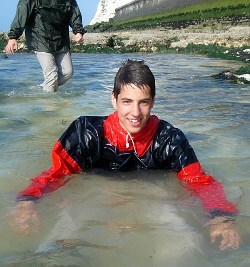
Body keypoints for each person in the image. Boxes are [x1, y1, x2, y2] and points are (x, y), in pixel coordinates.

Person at [12, 59, 241, 250]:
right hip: (97, 198)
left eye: (143, 103)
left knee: (186, 243)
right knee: (60, 241)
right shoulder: (85, 134)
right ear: (114, 99)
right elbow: (55, 174)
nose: (135, 113)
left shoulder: (170, 140)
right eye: (127, 101)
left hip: (153, 201)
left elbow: (200, 182)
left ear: (153, 102)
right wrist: (27, 202)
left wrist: (221, 217)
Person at [5, 0, 86, 92]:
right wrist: (13, 37)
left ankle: (41, 90)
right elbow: (21, 14)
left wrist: (78, 30)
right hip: (40, 37)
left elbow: (74, 13)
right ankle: (51, 103)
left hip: (61, 37)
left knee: (68, 72)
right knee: (51, 75)